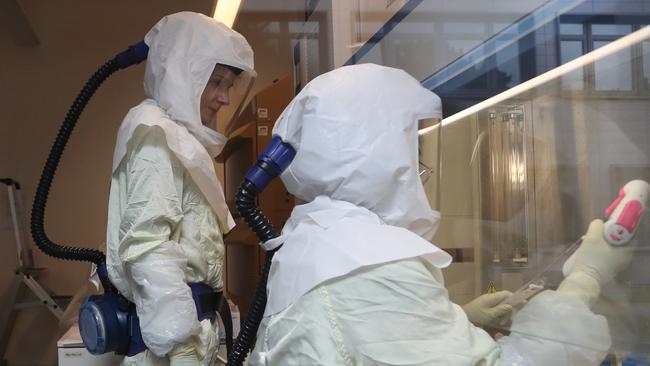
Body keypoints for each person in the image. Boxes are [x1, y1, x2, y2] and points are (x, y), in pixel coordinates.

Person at [249, 64, 627, 365]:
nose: (418, 167)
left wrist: (463, 319)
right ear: (375, 151)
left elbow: (365, 336)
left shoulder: (318, 239)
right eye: (410, 148)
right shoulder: (368, 265)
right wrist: (584, 281)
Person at [105, 12, 255, 366]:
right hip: (170, 349)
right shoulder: (155, 137)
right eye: (215, 82)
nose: (223, 98)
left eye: (228, 86)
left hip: (187, 333)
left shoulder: (178, 138)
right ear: (183, 75)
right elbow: (146, 246)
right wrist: (182, 347)